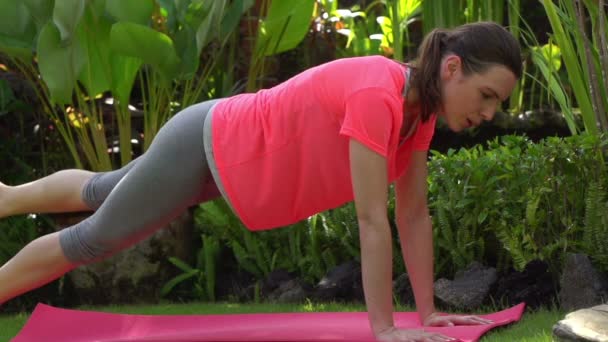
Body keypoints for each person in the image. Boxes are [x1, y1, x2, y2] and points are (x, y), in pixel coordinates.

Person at [0, 21, 521, 341]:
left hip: (226, 154)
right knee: (95, 238)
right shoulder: (377, 96)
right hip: (207, 147)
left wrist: (427, 313)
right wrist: (384, 329)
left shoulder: (419, 116)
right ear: (452, 68)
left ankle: (6, 198)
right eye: (488, 95)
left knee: (100, 189)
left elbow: (413, 215)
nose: (491, 112)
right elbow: (371, 220)